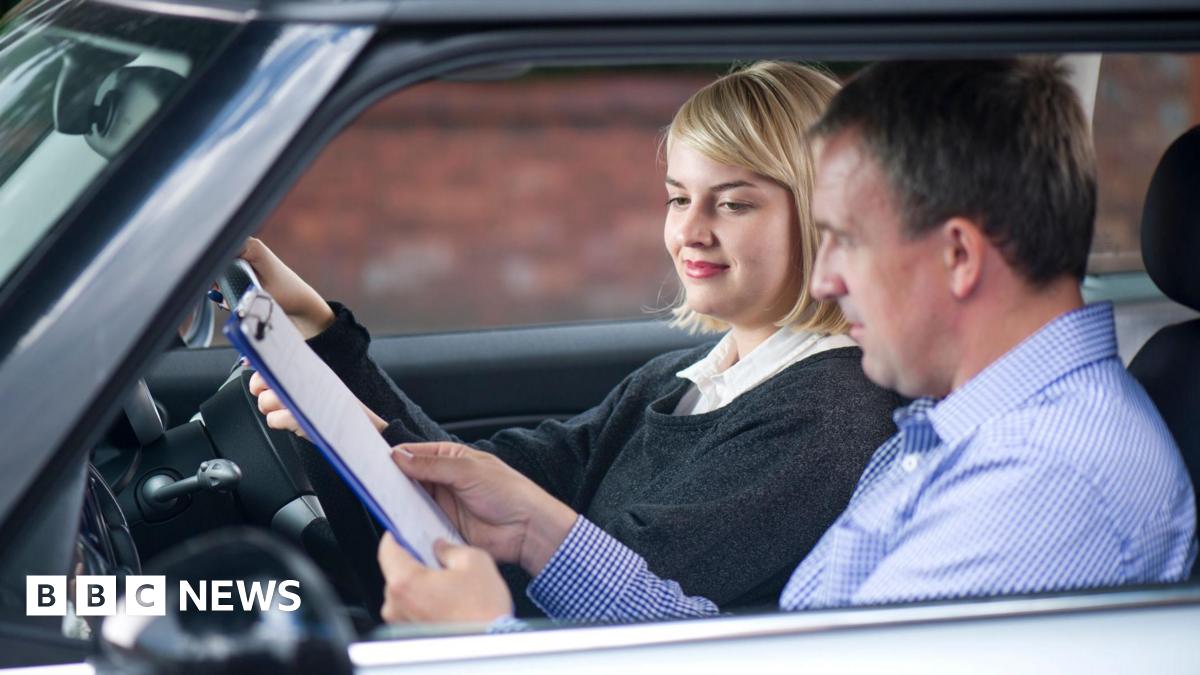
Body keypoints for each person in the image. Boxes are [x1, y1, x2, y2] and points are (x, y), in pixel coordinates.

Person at [372, 57, 1197, 625]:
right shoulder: (963, 430)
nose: (825, 278)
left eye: (843, 239)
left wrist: (490, 645)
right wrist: (540, 536)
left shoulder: (1046, 483)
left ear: (957, 255)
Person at [246, 61, 904, 616]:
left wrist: (359, 429)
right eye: (679, 198)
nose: (691, 231)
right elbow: (502, 483)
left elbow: (612, 592)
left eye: (733, 203)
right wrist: (320, 334)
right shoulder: (678, 380)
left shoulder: (828, 416)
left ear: (825, 216)